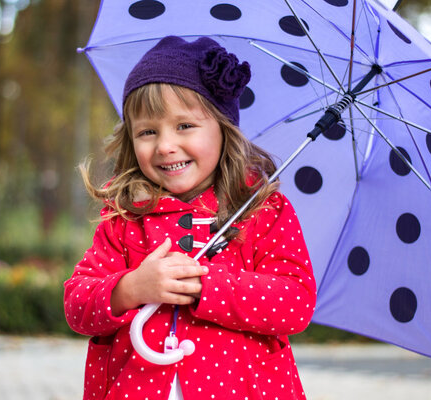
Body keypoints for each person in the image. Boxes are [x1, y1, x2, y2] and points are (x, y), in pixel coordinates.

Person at [64, 36, 317, 400]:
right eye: (148, 131)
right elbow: (77, 303)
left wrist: (206, 284)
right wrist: (131, 288)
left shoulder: (262, 211)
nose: (165, 145)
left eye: (184, 126)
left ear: (223, 129)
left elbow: (295, 303)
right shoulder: (125, 216)